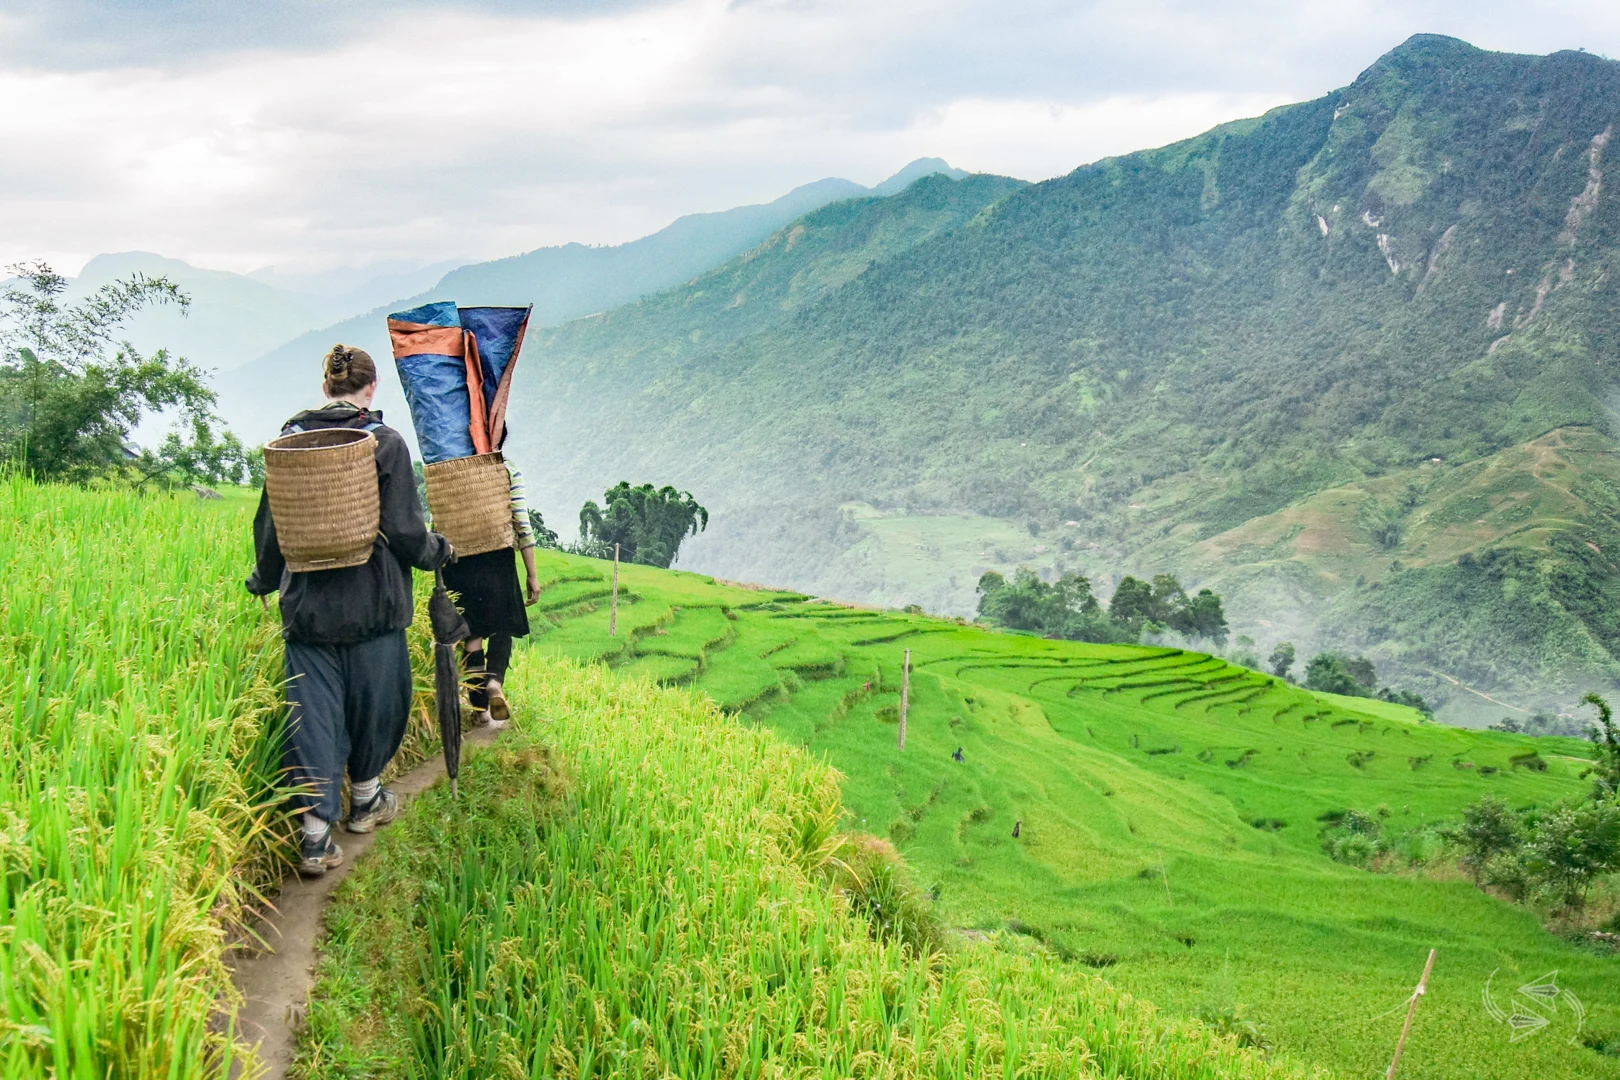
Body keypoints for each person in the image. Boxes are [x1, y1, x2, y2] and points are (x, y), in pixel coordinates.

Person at [247, 345, 454, 876]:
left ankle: (315, 837)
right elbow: (408, 532)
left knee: (312, 718)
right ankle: (365, 800)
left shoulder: (289, 444)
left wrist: (263, 581)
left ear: (325, 388)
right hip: (373, 606)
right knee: (378, 706)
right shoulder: (383, 444)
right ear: (372, 388)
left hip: (308, 611)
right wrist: (438, 552)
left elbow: (273, 528)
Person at [442, 456, 541, 727]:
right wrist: (532, 575)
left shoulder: (447, 468)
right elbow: (522, 522)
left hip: (458, 559)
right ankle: (495, 682)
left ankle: (479, 709)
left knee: (471, 634)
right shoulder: (507, 468)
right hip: (497, 556)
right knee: (501, 626)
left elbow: (437, 520)